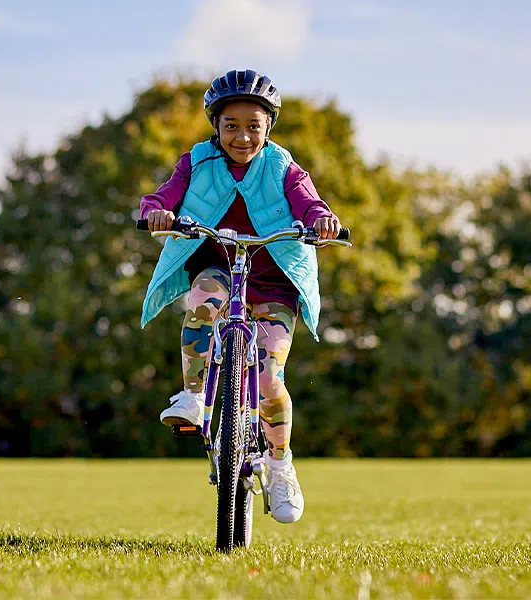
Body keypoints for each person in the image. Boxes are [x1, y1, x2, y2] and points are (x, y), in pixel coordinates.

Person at [138, 69, 342, 524]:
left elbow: (308, 203)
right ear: (216, 126)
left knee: (270, 376)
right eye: (231, 125)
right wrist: (157, 211)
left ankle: (279, 462)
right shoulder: (197, 161)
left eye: (254, 125)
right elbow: (165, 195)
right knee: (201, 302)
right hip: (218, 264)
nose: (242, 136)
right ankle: (194, 395)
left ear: (269, 127)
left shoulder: (284, 167)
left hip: (273, 277)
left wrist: (323, 220)